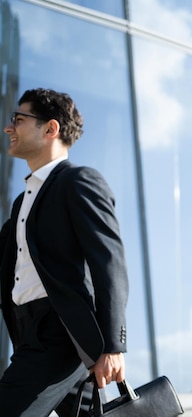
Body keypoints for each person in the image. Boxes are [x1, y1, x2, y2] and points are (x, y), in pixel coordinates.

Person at [0, 88, 129, 416]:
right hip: (29, 335)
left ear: (50, 129)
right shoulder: (22, 202)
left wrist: (113, 346)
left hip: (59, 334)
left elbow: (108, 261)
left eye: (18, 118)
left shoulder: (79, 181)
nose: (8, 127)